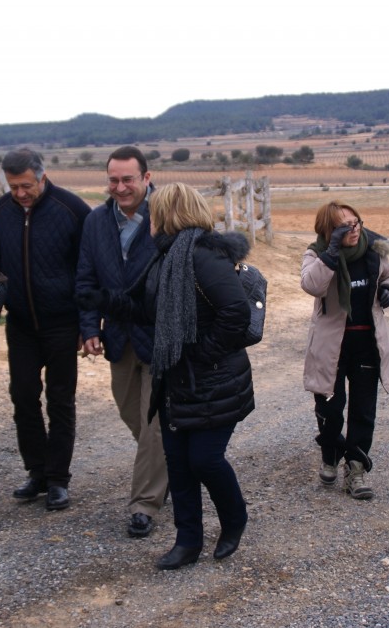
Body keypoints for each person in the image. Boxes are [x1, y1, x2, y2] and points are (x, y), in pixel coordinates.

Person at [78, 182, 255, 570]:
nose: (150, 220)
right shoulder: (165, 258)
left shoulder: (204, 256)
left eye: (155, 212)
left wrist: (199, 355)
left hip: (211, 381)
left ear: (168, 215)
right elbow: (150, 312)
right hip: (177, 379)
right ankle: (187, 541)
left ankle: (234, 518)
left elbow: (235, 314)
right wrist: (106, 302)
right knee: (177, 462)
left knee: (205, 460)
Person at [0, 148, 91, 512]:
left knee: (60, 401)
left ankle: (58, 480)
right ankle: (36, 472)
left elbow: (87, 268)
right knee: (23, 397)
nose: (20, 193)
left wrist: (86, 322)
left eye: (26, 186)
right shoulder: (2, 211)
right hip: (20, 323)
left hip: (62, 322)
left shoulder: (72, 210)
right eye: (14, 186)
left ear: (42, 177)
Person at [76, 146, 168, 538]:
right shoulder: (95, 222)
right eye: (113, 180)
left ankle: (144, 504)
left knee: (154, 424)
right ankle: (172, 466)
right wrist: (88, 327)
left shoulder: (168, 217)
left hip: (162, 335)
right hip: (118, 336)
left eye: (128, 179)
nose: (120, 187)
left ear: (146, 178)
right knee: (133, 414)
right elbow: (85, 279)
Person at [300, 202, 389, 500]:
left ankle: (356, 469)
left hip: (366, 345)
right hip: (331, 348)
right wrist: (331, 254)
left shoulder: (373, 251)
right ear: (330, 230)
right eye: (345, 226)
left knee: (363, 410)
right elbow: (312, 285)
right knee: (330, 410)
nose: (354, 230)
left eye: (356, 223)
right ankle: (330, 452)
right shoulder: (317, 254)